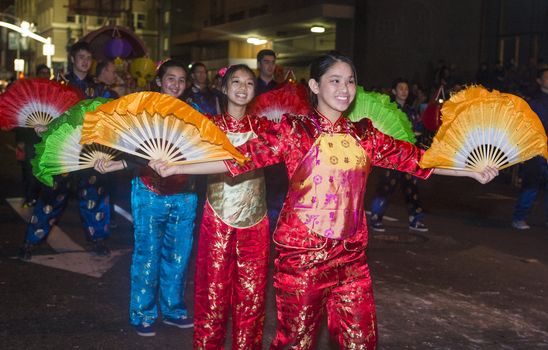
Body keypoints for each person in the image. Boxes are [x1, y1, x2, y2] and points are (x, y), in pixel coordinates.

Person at [149, 52, 498, 349]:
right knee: (295, 341)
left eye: (350, 81)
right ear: (315, 86)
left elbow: (419, 159)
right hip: (300, 261)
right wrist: (177, 165)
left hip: (351, 261)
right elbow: (239, 159)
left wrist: (470, 170)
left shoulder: (365, 135)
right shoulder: (294, 131)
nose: (344, 89)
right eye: (335, 81)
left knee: (361, 340)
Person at [94, 60, 197, 337]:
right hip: (148, 192)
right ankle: (142, 313)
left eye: (182, 80)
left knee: (178, 257)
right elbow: (132, 152)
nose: (176, 84)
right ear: (160, 81)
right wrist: (113, 163)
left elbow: (202, 152)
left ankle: (174, 310)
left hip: (185, 195)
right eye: (171, 78)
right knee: (147, 255)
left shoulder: (194, 113)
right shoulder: (144, 112)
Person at [184, 64, 269, 349]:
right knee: (212, 294)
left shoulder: (265, 129)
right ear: (224, 87)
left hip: (256, 223)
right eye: (236, 82)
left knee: (252, 297)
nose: (242, 88)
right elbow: (175, 149)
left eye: (249, 83)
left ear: (255, 91)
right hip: (217, 219)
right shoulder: (209, 127)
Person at [19, 42, 112, 260]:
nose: (85, 62)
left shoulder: (97, 87)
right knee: (51, 197)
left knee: (94, 196)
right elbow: (45, 112)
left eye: (88, 58)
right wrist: (43, 128)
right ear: (72, 59)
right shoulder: (59, 85)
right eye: (81, 57)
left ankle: (98, 239)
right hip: (63, 150)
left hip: (89, 150)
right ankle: (30, 242)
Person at [369, 78, 429, 233]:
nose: (404, 91)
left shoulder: (412, 111)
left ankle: (415, 220)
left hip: (408, 156)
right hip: (393, 156)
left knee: (412, 188)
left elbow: (419, 129)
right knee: (386, 187)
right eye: (401, 88)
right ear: (394, 91)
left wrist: (417, 135)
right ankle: (376, 217)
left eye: (406, 89)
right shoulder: (389, 110)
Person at [511, 67, 548, 229]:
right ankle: (519, 218)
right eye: (547, 77)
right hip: (536, 149)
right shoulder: (535, 101)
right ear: (539, 81)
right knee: (531, 185)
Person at [13, 64, 52, 207]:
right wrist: (20, 139)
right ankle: (30, 197)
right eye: (42, 73)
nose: (45, 75)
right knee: (30, 170)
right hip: (30, 138)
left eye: (47, 73)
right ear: (37, 75)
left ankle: (42, 197)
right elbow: (21, 118)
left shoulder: (52, 93)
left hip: (47, 138)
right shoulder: (29, 93)